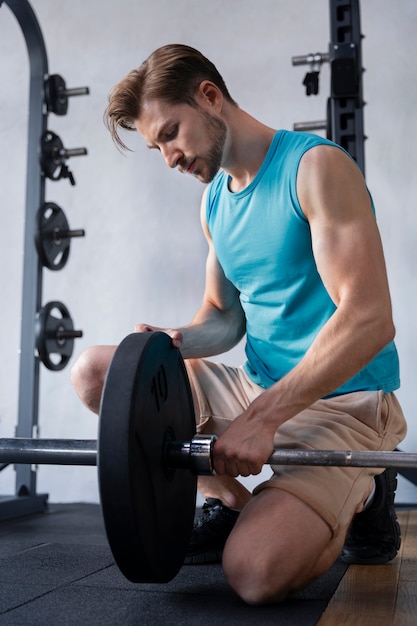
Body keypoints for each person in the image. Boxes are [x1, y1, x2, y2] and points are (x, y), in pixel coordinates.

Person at [71, 44, 407, 605]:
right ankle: (231, 503)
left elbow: (370, 320)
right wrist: (177, 341)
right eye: (157, 146)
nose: (170, 158)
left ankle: (369, 495)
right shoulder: (215, 204)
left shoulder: (315, 168)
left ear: (209, 96)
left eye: (171, 133)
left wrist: (263, 418)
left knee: (253, 574)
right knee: (101, 373)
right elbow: (224, 318)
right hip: (258, 387)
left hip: (345, 406)